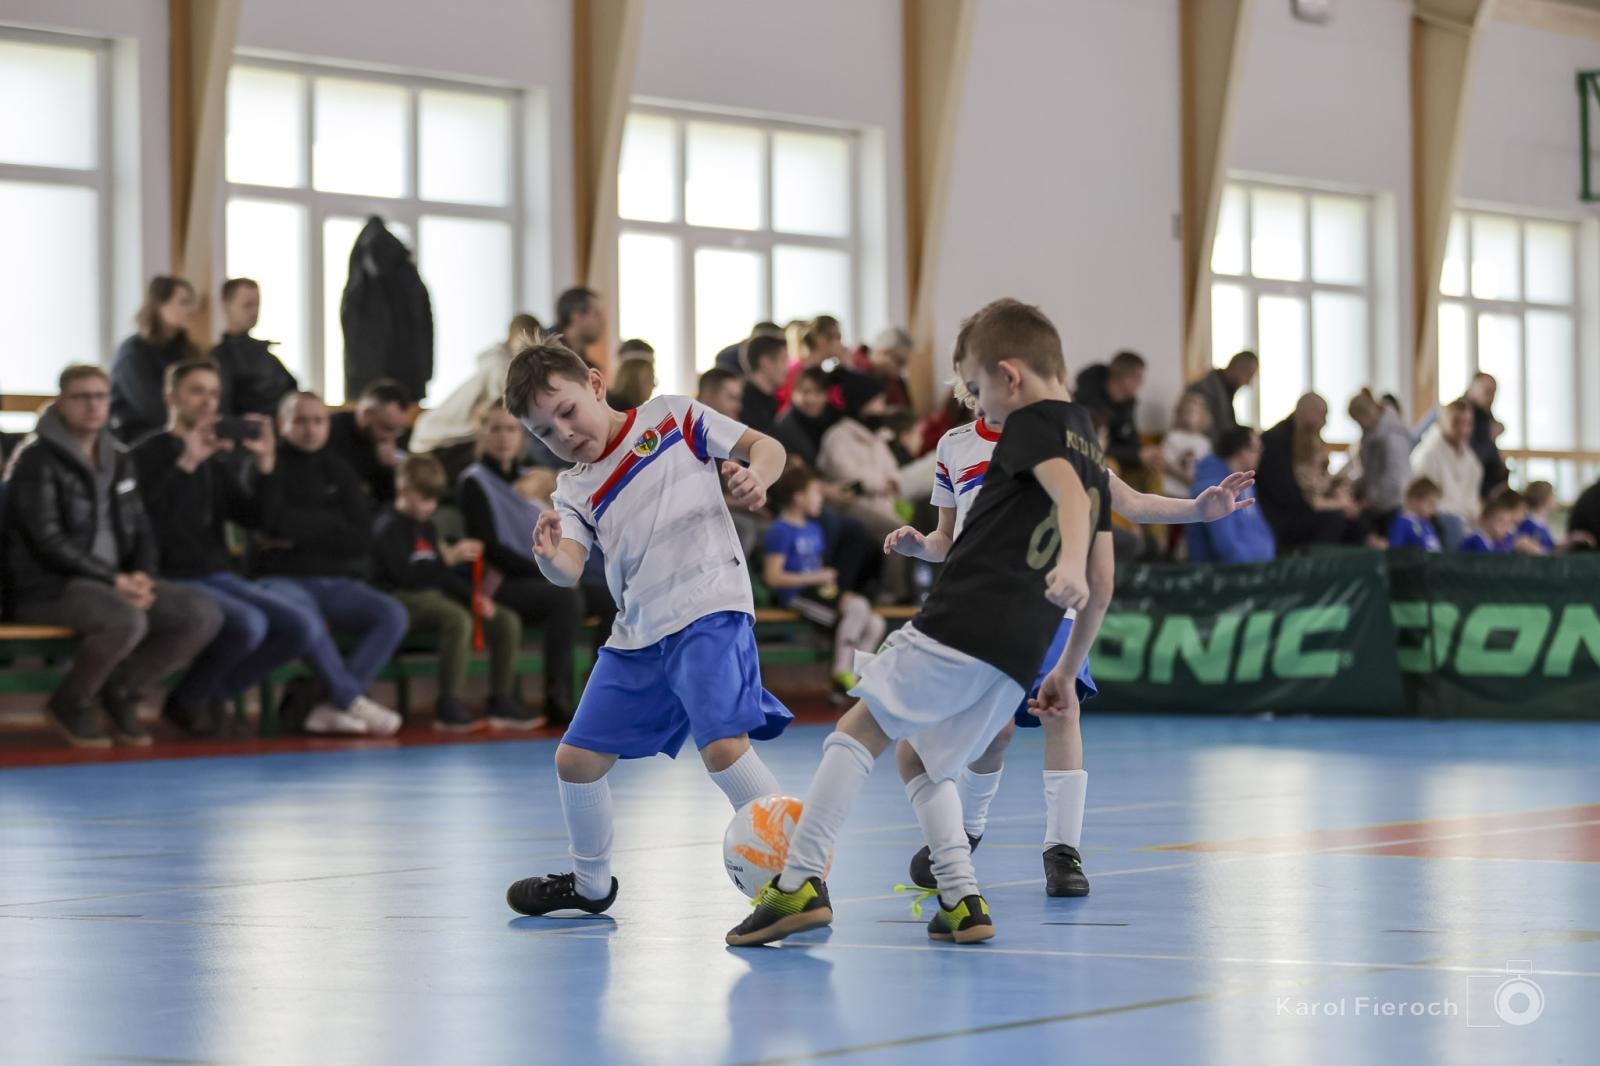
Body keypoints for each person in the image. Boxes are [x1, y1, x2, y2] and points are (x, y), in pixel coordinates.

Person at [728, 298, 1114, 947]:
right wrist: (1066, 668)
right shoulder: (1087, 440)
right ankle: (962, 899)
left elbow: (1075, 518)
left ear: (1009, 376)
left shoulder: (1026, 424)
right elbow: (1101, 586)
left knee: (855, 733)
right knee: (920, 759)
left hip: (963, 617)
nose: (977, 405)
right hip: (1022, 648)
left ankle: (797, 883)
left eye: (977, 386)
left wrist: (1069, 561)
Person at [885, 372, 1256, 902]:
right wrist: (919, 545)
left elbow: (1129, 501)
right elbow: (947, 538)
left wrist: (1198, 510)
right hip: (978, 606)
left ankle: (1062, 851)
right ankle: (964, 832)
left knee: (1059, 710)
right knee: (993, 733)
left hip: (1049, 602)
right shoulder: (954, 446)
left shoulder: (1060, 443)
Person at [500, 333, 792, 917]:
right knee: (575, 760)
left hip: (709, 605)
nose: (564, 433)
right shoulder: (573, 488)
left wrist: (758, 476)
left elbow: (768, 447)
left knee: (723, 747)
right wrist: (549, 558)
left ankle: (797, 880)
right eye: (544, 433)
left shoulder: (674, 417)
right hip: (639, 634)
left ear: (596, 385)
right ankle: (590, 888)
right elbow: (572, 566)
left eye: (566, 412)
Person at [2, 365, 222, 746]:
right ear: (60, 403)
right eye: (81, 397)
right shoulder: (35, 460)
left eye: (100, 396)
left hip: (113, 581)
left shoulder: (118, 456)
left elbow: (140, 528)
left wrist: (143, 576)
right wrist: (114, 580)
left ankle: (120, 690)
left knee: (200, 614)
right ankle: (70, 702)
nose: (92, 406)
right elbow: (47, 541)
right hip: (50, 587)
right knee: (126, 619)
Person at [130, 359, 313, 737]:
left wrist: (266, 464)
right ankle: (192, 701)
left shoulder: (216, 460)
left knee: (299, 626)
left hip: (215, 573)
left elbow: (259, 520)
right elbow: (147, 524)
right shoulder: (146, 454)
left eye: (214, 393)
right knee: (248, 624)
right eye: (196, 391)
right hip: (169, 574)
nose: (208, 402)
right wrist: (188, 461)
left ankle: (206, 696)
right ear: (171, 397)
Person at [252, 392, 407, 735]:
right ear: (283, 425)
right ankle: (351, 699)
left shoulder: (339, 469)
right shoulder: (269, 464)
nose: (311, 429)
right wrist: (331, 523)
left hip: (334, 579)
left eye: (319, 420)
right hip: (280, 578)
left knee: (392, 614)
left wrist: (299, 529)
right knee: (305, 618)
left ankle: (326, 705)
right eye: (301, 421)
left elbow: (361, 537)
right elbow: (270, 523)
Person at [458, 404, 605, 723]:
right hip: (503, 582)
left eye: (511, 429)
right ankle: (556, 697)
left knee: (608, 599)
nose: (504, 438)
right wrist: (550, 571)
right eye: (495, 429)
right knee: (565, 597)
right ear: (482, 434)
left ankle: (600, 693)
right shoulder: (474, 482)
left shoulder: (532, 479)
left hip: (544, 573)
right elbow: (492, 548)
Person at [373, 455, 529, 733]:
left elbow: (441, 578)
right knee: (457, 619)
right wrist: (447, 559)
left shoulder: (428, 526)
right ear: (403, 492)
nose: (430, 506)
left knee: (505, 620)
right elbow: (404, 577)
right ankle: (448, 704)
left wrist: (475, 597)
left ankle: (501, 699)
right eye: (423, 498)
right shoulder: (388, 527)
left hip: (432, 595)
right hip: (399, 598)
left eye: (434, 499)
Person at [763, 464, 886, 697]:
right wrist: (816, 577)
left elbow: (816, 568)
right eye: (816, 493)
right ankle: (841, 671)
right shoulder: (780, 530)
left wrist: (830, 587)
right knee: (857, 608)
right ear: (798, 498)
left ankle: (854, 675)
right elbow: (773, 577)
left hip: (816, 592)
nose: (820, 499)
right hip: (796, 596)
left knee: (875, 622)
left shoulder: (813, 529)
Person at [408, 312, 542, 462]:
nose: (530, 350)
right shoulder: (499, 369)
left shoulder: (502, 364)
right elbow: (503, 412)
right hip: (437, 440)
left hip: (440, 435)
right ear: (512, 340)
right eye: (526, 343)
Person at [1256, 393, 1359, 553]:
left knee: (1353, 519)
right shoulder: (1276, 441)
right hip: (1281, 516)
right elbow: (1288, 493)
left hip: (1301, 505)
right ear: (1306, 412)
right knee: (1334, 520)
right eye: (1323, 415)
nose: (1325, 422)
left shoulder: (1305, 439)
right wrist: (1331, 503)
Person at [110, 276, 200, 443]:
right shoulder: (133, 352)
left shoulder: (188, 351)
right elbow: (151, 408)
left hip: (181, 437)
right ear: (160, 305)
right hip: (139, 440)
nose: (191, 310)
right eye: (183, 302)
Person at [208, 278, 299, 417]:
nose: (254, 311)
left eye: (257, 304)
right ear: (227, 306)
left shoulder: (264, 354)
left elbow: (292, 390)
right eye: (247, 305)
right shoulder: (220, 358)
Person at [1186, 428, 1272, 564]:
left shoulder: (1247, 486)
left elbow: (1260, 530)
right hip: (1223, 576)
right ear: (1242, 451)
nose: (1260, 455)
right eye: (1258, 449)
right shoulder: (1215, 489)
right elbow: (1225, 546)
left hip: (1250, 570)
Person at [1412, 399, 1483, 550]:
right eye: (1457, 423)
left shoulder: (1473, 462)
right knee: (1454, 524)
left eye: (1468, 424)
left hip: (1467, 522)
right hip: (1439, 522)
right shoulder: (1427, 456)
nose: (1463, 430)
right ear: (1441, 422)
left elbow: (1473, 503)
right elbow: (1425, 503)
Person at [327, 378, 411, 504]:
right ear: (366, 414)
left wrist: (389, 468)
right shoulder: (330, 430)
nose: (392, 438)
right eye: (387, 428)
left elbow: (387, 499)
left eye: (398, 431)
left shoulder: (382, 443)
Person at [1074, 351, 1155, 478]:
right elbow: (1093, 445)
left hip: (1117, 457)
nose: (1141, 383)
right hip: (1085, 457)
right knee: (1110, 466)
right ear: (1123, 377)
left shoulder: (1128, 403)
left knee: (1153, 470)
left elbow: (1131, 438)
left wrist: (1142, 454)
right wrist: (1136, 455)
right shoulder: (1087, 402)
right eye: (1138, 377)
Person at [1348, 388, 1413, 531]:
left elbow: (1394, 480)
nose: (1360, 427)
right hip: (1377, 503)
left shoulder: (1394, 437)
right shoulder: (1370, 437)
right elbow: (1370, 472)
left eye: (1358, 422)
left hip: (1392, 506)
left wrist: (1368, 501)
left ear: (1365, 415)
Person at [1184, 350, 1258, 448]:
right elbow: (1206, 432)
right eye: (1249, 375)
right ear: (1238, 367)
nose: (1248, 383)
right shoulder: (1204, 389)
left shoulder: (1224, 389)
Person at [771, 366, 837, 469]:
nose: (812, 399)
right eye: (805, 392)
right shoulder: (783, 427)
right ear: (793, 392)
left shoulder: (834, 418)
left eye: (818, 392)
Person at [777, 315, 846, 411]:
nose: (841, 345)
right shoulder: (796, 371)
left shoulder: (822, 372)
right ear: (821, 340)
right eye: (838, 338)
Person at [1464, 372, 1509, 497]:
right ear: (1472, 388)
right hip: (1476, 486)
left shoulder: (1484, 412)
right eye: (1486, 391)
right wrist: (1490, 436)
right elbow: (1473, 453)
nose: (1491, 397)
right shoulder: (1466, 413)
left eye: (1494, 392)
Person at [1161, 392, 1213, 498]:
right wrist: (1187, 479)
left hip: (1195, 495)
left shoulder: (1204, 443)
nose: (1192, 415)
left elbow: (1207, 469)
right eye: (1188, 411)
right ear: (1180, 413)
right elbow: (1165, 464)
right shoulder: (1173, 437)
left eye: (1196, 412)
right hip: (1172, 492)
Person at [737, 333, 789, 434]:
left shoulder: (770, 399)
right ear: (766, 362)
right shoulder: (741, 402)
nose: (787, 369)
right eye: (783, 360)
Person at [1460, 489, 1537, 554]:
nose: (1505, 528)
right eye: (1500, 522)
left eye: (1507, 524)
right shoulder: (1476, 540)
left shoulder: (1491, 542)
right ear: (1484, 520)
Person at [859, 327, 914, 410]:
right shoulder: (853, 375)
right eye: (899, 361)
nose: (902, 368)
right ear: (882, 353)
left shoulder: (896, 382)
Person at [1387, 478, 1444, 552]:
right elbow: (1395, 552)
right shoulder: (1402, 522)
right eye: (1430, 503)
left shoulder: (1426, 524)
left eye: (1434, 505)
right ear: (1414, 500)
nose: (1433, 510)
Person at [553, 287, 607, 363]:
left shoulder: (587, 366)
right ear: (576, 316)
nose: (602, 321)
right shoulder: (551, 361)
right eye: (596, 314)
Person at [1518, 481, 1557, 554]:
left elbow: (1551, 547)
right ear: (1546, 499)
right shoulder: (1527, 524)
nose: (1555, 499)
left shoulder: (1541, 523)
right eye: (1552, 495)